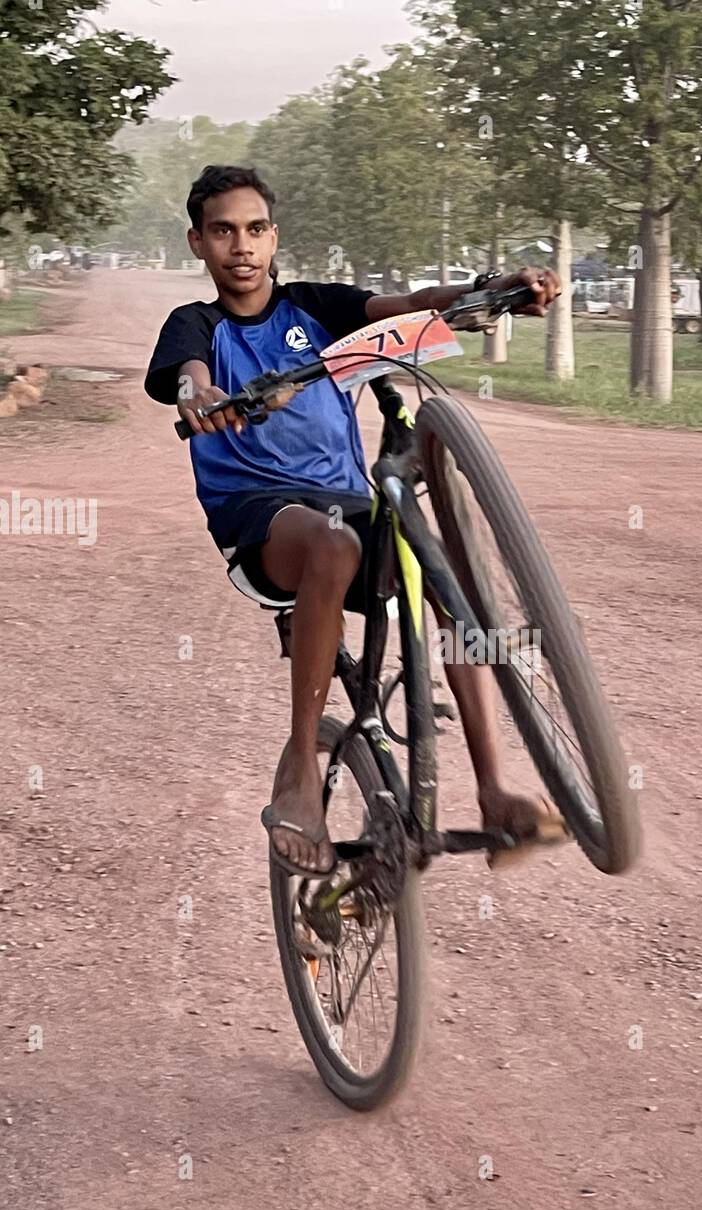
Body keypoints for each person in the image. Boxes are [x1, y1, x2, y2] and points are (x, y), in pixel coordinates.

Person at [145, 164, 564, 876]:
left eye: (253, 229)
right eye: (222, 231)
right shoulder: (197, 324)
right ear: (197, 243)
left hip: (348, 505)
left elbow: (405, 304)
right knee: (332, 543)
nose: (240, 247)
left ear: (273, 236)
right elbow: (186, 374)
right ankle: (300, 774)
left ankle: (494, 789)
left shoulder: (318, 306)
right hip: (261, 519)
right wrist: (204, 391)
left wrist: (483, 293)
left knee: (443, 575)